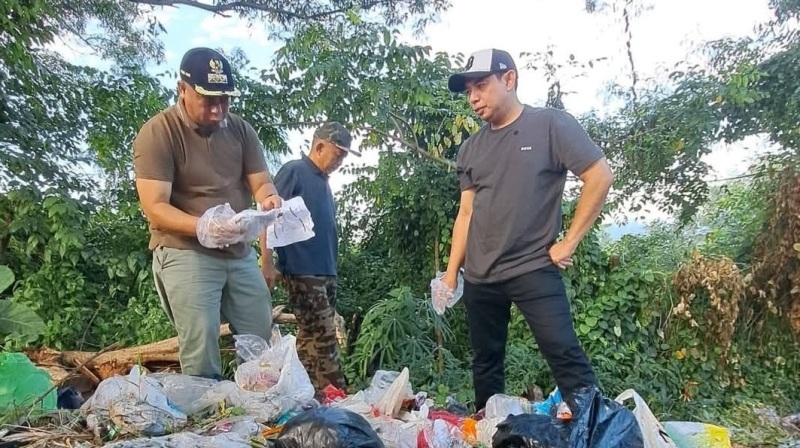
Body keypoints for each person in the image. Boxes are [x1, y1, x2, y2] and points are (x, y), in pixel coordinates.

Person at [439, 48, 614, 414]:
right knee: (486, 363)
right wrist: (452, 275)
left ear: (509, 79)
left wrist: (569, 241)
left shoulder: (550, 124)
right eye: (469, 90)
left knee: (564, 353)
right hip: (481, 277)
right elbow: (466, 213)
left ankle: (597, 428)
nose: (473, 98)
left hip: (533, 267)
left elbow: (599, 175)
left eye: (481, 86)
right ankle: (491, 429)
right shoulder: (471, 149)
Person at [133, 47, 281, 380]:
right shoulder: (158, 132)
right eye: (208, 100)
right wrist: (204, 226)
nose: (217, 109)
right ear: (182, 89)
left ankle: (260, 411)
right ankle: (207, 421)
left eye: (224, 99)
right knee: (201, 342)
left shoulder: (241, 130)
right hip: (186, 250)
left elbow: (262, 184)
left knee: (261, 332)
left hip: (238, 251)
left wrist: (270, 200)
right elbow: (155, 208)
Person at [259, 122, 359, 396]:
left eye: (343, 157)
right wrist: (266, 262)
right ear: (319, 146)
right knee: (324, 335)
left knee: (309, 338)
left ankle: (301, 393)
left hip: (326, 270)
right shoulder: (295, 171)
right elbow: (267, 214)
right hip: (303, 270)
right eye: (337, 154)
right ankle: (336, 396)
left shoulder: (323, 183)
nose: (339, 161)